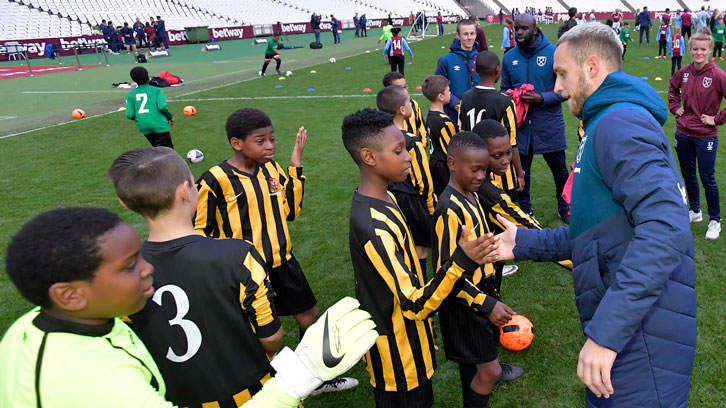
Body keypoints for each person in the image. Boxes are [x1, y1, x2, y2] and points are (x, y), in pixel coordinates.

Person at [496, 22, 696, 407]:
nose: (555, 87)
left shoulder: (619, 124)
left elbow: (667, 228)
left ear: (591, 67)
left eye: (561, 73)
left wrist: (606, 334)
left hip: (643, 336)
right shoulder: (604, 122)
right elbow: (601, 231)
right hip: (634, 325)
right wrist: (524, 241)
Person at [0, 208, 379, 408]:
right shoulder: (94, 379)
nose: (148, 267)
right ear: (69, 295)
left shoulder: (52, 323)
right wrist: (302, 374)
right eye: (130, 265)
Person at [341, 108, 500, 407]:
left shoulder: (386, 197)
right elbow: (413, 302)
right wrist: (461, 261)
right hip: (398, 357)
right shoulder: (373, 226)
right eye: (399, 150)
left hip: (412, 339)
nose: (409, 157)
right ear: (369, 157)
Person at [193, 108, 357, 394]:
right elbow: (198, 229)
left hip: (282, 262)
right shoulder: (215, 179)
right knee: (257, 334)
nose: (269, 146)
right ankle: (264, 387)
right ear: (237, 143)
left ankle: (314, 379)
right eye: (261, 141)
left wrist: (296, 165)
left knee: (309, 317)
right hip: (242, 272)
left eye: (272, 139)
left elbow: (290, 211)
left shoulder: (272, 169)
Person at [108, 147, 283, 406]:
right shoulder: (238, 254)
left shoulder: (119, 274)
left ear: (124, 202)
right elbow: (270, 337)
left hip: (177, 398)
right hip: (253, 392)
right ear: (185, 191)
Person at [433, 131, 515, 408]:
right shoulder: (449, 209)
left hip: (481, 294)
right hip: (466, 303)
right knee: (489, 371)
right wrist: (486, 303)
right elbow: (446, 271)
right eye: (475, 169)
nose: (481, 176)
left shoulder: (471, 193)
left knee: (473, 366)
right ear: (452, 163)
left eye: (484, 169)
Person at [501, 14, 570, 223]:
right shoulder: (509, 57)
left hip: (549, 124)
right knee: (522, 173)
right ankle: (525, 210)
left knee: (560, 170)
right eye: (516, 29)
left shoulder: (554, 53)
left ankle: (565, 206)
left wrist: (542, 97)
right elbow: (504, 89)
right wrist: (511, 96)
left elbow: (566, 90)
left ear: (535, 30)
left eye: (524, 28)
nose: (519, 32)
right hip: (521, 127)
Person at [668, 27, 726, 240]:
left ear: (710, 50)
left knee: (707, 177)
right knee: (688, 175)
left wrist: (716, 119)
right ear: (690, 49)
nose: (698, 53)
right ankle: (695, 211)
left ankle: (715, 220)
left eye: (703, 49)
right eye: (695, 49)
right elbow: (672, 88)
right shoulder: (684, 72)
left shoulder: (718, 75)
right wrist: (675, 108)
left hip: (706, 136)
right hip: (683, 132)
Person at [376, 85, 436, 273]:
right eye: (409, 101)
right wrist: (431, 207)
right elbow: (423, 182)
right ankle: (418, 287)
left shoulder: (377, 137)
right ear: (402, 110)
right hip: (411, 200)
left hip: (387, 197)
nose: (411, 103)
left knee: (397, 243)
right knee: (419, 247)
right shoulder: (411, 141)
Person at [460, 51, 523, 202]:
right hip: (500, 176)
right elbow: (512, 143)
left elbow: (461, 135)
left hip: (472, 171)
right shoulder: (505, 102)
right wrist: (520, 173)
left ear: (476, 71)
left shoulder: (466, 98)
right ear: (497, 70)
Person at [434, 19, 479, 122]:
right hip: (453, 116)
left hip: (478, 114)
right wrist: (455, 103)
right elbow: (438, 87)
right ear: (458, 35)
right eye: (465, 34)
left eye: (472, 34)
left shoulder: (481, 58)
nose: (469, 37)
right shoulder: (445, 60)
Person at [422, 74, 457, 196]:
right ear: (440, 96)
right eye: (448, 90)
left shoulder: (431, 114)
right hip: (444, 167)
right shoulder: (444, 121)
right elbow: (452, 150)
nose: (450, 93)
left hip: (434, 162)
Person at [125, 67, 174, 148]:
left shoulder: (130, 95)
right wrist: (170, 117)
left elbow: (129, 114)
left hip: (143, 125)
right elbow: (162, 107)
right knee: (167, 151)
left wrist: (140, 118)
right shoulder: (157, 90)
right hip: (159, 124)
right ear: (148, 78)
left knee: (157, 148)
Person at [383, 72, 428, 147]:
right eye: (400, 88)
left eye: (405, 87)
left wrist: (421, 145)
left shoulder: (413, 104)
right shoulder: (386, 108)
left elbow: (421, 128)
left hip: (414, 148)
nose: (404, 91)